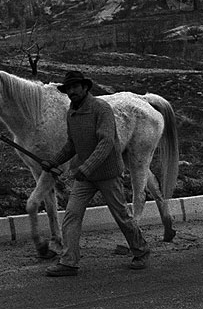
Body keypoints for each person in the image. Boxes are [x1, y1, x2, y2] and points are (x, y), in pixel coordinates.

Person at [42, 70, 150, 277]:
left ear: (85, 87)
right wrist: (53, 162)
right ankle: (69, 261)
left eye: (75, 87)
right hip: (86, 176)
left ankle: (141, 250)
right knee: (71, 216)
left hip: (108, 174)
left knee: (122, 216)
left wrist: (86, 167)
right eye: (68, 88)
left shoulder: (101, 109)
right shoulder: (71, 113)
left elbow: (106, 142)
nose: (72, 91)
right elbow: (72, 145)